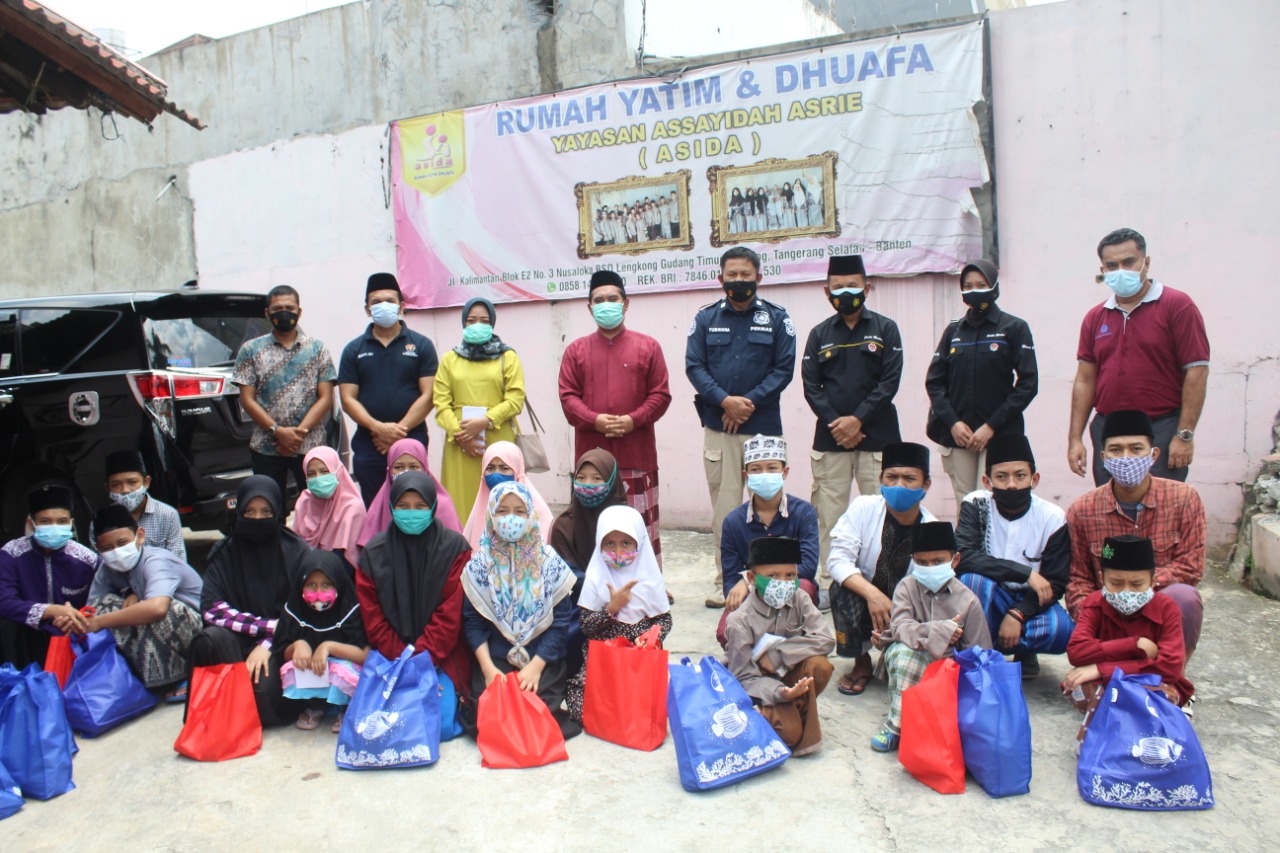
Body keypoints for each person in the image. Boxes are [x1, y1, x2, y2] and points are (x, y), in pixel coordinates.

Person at [686, 246, 796, 607]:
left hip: (763, 426)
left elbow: (783, 369)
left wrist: (745, 403)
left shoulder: (778, 319)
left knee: (769, 506)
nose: (738, 281)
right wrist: (724, 401)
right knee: (726, 509)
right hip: (720, 428)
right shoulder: (704, 319)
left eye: (745, 275)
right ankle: (728, 581)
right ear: (721, 279)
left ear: (758, 277)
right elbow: (694, 366)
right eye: (731, 275)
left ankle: (770, 579)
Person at [1068, 228, 1209, 485]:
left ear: (1146, 262)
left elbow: (1196, 370)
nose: (1121, 270)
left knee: (1161, 511)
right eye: (1112, 265)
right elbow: (1085, 380)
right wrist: (1075, 439)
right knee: (1110, 512)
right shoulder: (1095, 317)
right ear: (1102, 269)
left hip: (1161, 429)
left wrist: (1184, 435)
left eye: (1129, 262)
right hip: (1108, 431)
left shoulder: (1177, 306)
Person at [802, 254, 903, 606]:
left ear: (868, 287)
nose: (846, 292)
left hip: (877, 439)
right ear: (826, 291)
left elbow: (889, 381)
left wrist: (858, 420)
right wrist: (839, 425)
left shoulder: (886, 329)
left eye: (854, 285)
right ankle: (832, 582)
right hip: (831, 441)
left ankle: (885, 578)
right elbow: (811, 386)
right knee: (830, 516)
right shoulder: (819, 335)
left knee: (883, 513)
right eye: (838, 286)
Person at [1065, 410, 1205, 656]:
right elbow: (1078, 578)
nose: (1126, 457)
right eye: (1116, 450)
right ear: (1103, 457)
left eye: (1136, 449)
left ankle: (1172, 680)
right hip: (1107, 613)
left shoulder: (1184, 499)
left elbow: (1191, 566)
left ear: (1153, 455)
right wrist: (1093, 617)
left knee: (1185, 596)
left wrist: (1139, 590)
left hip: (1161, 609)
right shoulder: (1082, 510)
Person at [558, 270, 672, 564]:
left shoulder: (648, 346)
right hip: (592, 464)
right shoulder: (575, 350)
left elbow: (660, 395)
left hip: (637, 455)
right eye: (599, 300)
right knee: (593, 525)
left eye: (612, 298)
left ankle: (650, 579)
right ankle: (591, 580)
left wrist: (633, 419)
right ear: (589, 307)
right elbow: (567, 396)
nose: (606, 304)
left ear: (625, 303)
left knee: (640, 524)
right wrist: (594, 420)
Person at [189, 476, 310, 726]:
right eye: (249, 511)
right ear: (239, 511)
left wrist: (267, 642)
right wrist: (267, 628)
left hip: (283, 642)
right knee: (207, 641)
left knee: (261, 695)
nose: (257, 519)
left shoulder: (296, 551)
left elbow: (305, 610)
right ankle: (210, 711)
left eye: (266, 511)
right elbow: (212, 608)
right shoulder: (224, 551)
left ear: (278, 511)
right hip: (238, 636)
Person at [462, 482, 578, 737]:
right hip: (496, 660)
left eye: (519, 511)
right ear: (491, 515)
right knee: (486, 721)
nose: (510, 519)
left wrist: (536, 667)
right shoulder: (479, 565)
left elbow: (559, 623)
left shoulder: (549, 562)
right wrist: (488, 669)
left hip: (541, 659)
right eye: (502, 511)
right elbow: (473, 623)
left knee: (538, 718)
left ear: (530, 516)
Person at [956, 434, 1072, 680]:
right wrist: (1026, 572)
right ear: (987, 481)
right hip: (990, 595)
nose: (1011, 484)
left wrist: (1018, 614)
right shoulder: (975, 504)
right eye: (1001, 476)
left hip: (1032, 601)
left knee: (1062, 631)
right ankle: (980, 656)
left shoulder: (1052, 518)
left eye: (1020, 476)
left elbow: (1056, 582)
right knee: (972, 581)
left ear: (1034, 479)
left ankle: (1022, 651)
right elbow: (964, 557)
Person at [869, 521, 991, 752]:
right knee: (906, 653)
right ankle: (895, 729)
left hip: (946, 672)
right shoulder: (906, 587)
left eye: (938, 561)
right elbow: (901, 629)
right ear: (913, 561)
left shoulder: (968, 601)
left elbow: (978, 653)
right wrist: (941, 630)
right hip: (908, 660)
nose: (930, 567)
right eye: (922, 562)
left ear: (954, 560)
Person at [826, 442, 937, 697]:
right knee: (840, 589)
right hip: (866, 598)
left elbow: (931, 584)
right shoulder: (864, 507)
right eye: (892, 477)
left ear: (926, 485)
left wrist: (898, 608)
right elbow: (837, 560)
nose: (899, 485)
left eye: (910, 478)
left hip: (909, 606)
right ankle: (861, 661)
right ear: (881, 479)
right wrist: (872, 595)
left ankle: (893, 654)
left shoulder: (932, 527)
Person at [925, 258, 1039, 504]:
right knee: (966, 503)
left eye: (981, 284)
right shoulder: (953, 331)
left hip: (999, 433)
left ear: (995, 286)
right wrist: (953, 423)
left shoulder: (1014, 327)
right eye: (968, 285)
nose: (974, 290)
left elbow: (1028, 384)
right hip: (959, 437)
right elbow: (934, 382)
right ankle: (966, 545)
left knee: (992, 501)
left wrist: (991, 426)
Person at [1063, 535, 1194, 743]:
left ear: (1152, 581)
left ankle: (1118, 725)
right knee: (1078, 685)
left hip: (1148, 683)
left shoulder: (1167, 608)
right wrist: (1134, 645)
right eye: (1115, 583)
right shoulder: (1094, 603)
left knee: (1157, 697)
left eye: (1137, 584)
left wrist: (1101, 668)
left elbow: (1169, 667)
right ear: (1102, 578)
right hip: (1105, 683)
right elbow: (1077, 651)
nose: (1126, 592)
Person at [356, 471, 473, 700]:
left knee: (440, 716)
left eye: (420, 506)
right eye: (403, 505)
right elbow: (374, 621)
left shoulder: (455, 549)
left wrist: (420, 662)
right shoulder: (373, 554)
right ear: (391, 507)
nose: (411, 513)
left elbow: (449, 617)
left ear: (433, 506)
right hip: (389, 657)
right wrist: (403, 662)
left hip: (442, 653)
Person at [725, 536, 835, 756]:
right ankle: (761, 713)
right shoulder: (740, 621)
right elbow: (743, 678)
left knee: (820, 666)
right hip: (760, 687)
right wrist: (781, 693)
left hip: (788, 674)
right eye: (772, 576)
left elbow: (826, 639)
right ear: (752, 578)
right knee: (791, 734)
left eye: (790, 575)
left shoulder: (799, 598)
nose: (783, 583)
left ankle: (795, 709)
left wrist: (779, 654)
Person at [337, 273, 440, 505]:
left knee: (413, 502)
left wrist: (398, 432)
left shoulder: (421, 345)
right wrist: (378, 428)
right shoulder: (353, 350)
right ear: (367, 309)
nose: (383, 306)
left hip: (411, 439)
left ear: (401, 306)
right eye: (375, 302)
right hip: (369, 443)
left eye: (390, 301)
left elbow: (429, 395)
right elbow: (347, 398)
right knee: (375, 507)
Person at [85, 504, 203, 700]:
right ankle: (142, 675)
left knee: (163, 611)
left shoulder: (156, 560)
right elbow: (94, 606)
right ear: (98, 549)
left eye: (122, 543)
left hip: (199, 631)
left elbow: (157, 608)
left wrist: (99, 622)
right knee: (104, 605)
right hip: (158, 630)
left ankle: (185, 675)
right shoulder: (107, 568)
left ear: (140, 536)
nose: (116, 552)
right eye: (107, 548)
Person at [566, 505, 672, 722]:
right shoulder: (596, 577)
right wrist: (611, 608)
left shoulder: (649, 579)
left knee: (649, 710)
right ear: (599, 544)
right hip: (603, 661)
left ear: (639, 543)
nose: (618, 551)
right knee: (582, 710)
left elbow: (664, 619)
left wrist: (649, 637)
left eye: (626, 543)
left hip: (638, 660)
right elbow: (586, 626)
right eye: (609, 544)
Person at [233, 285, 337, 496]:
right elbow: (247, 399)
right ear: (267, 313)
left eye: (289, 307)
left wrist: (297, 435)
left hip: (311, 446)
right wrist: (278, 432)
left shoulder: (317, 348)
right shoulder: (250, 350)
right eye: (277, 307)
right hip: (266, 446)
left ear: (299, 312)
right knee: (269, 509)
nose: (284, 312)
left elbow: (326, 397)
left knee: (318, 506)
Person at [717, 435, 820, 648]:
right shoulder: (733, 522)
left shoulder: (803, 513)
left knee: (805, 588)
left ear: (785, 472)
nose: (764, 474)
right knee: (725, 632)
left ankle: (785, 650)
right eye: (756, 469)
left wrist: (750, 580)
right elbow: (730, 580)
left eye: (772, 468)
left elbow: (807, 567)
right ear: (746, 475)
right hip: (753, 595)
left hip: (792, 588)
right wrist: (749, 587)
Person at [433, 297, 527, 526]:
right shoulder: (450, 359)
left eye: (484, 320)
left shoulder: (507, 357)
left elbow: (516, 399)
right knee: (461, 501)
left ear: (492, 324)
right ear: (463, 323)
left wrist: (485, 421)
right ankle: (464, 554)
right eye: (471, 320)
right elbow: (441, 403)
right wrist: (460, 434)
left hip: (497, 442)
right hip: (460, 445)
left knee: (501, 500)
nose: (477, 324)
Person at [0, 485, 97, 668]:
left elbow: (101, 598)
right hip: (26, 638)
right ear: (31, 524)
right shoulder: (11, 554)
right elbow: (3, 602)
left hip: (74, 632)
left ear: (71, 523)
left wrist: (73, 616)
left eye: (62, 521)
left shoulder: (87, 559)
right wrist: (51, 610)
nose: (54, 527)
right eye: (45, 521)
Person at [277, 550, 369, 732]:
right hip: (315, 670)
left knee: (346, 671)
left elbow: (365, 654)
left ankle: (347, 707)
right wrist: (297, 645)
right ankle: (316, 704)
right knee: (290, 669)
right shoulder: (295, 611)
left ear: (339, 583)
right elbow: (281, 650)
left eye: (327, 584)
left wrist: (328, 646)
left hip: (343, 668)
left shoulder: (350, 610)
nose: (318, 593)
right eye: (311, 584)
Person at [356, 438, 462, 549]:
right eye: (399, 467)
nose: (406, 472)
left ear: (425, 469)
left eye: (413, 467)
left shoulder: (442, 504)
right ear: (389, 470)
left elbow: (454, 550)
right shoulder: (379, 506)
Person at [87, 450, 186, 561]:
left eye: (132, 482)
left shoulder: (167, 514)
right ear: (108, 488)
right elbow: (97, 564)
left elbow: (178, 560)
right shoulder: (100, 522)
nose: (125, 490)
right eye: (116, 485)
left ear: (146, 482)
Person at [549, 449, 629, 577]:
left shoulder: (627, 523)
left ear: (612, 481)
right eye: (580, 477)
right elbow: (565, 575)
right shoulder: (563, 527)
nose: (587, 485)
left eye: (597, 478)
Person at [461, 441, 554, 550]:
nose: (496, 474)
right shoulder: (478, 512)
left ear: (517, 470)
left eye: (504, 468)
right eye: (490, 468)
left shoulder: (539, 512)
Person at [290, 446, 366, 568]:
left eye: (324, 472)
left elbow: (344, 560)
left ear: (338, 471)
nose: (318, 478)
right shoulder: (304, 501)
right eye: (311, 474)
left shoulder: (351, 507)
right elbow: (295, 548)